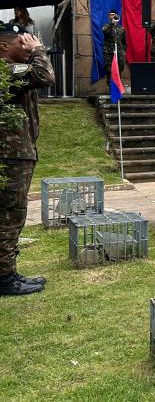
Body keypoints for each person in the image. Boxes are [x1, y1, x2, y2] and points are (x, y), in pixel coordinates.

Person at [0, 23, 54, 296]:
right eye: (21, 42)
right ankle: (4, 278)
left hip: (18, 153)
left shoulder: (16, 71)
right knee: (10, 214)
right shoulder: (5, 72)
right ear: (3, 46)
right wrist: (38, 50)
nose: (28, 46)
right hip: (10, 155)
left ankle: (7, 270)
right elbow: (45, 75)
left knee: (11, 213)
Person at [102, 10, 127, 85]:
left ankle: (118, 84)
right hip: (109, 51)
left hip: (119, 52)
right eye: (111, 15)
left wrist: (123, 51)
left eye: (114, 15)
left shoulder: (121, 28)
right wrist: (111, 23)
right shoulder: (107, 26)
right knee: (109, 69)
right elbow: (104, 31)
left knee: (120, 67)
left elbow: (124, 41)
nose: (112, 16)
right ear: (109, 17)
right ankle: (110, 85)